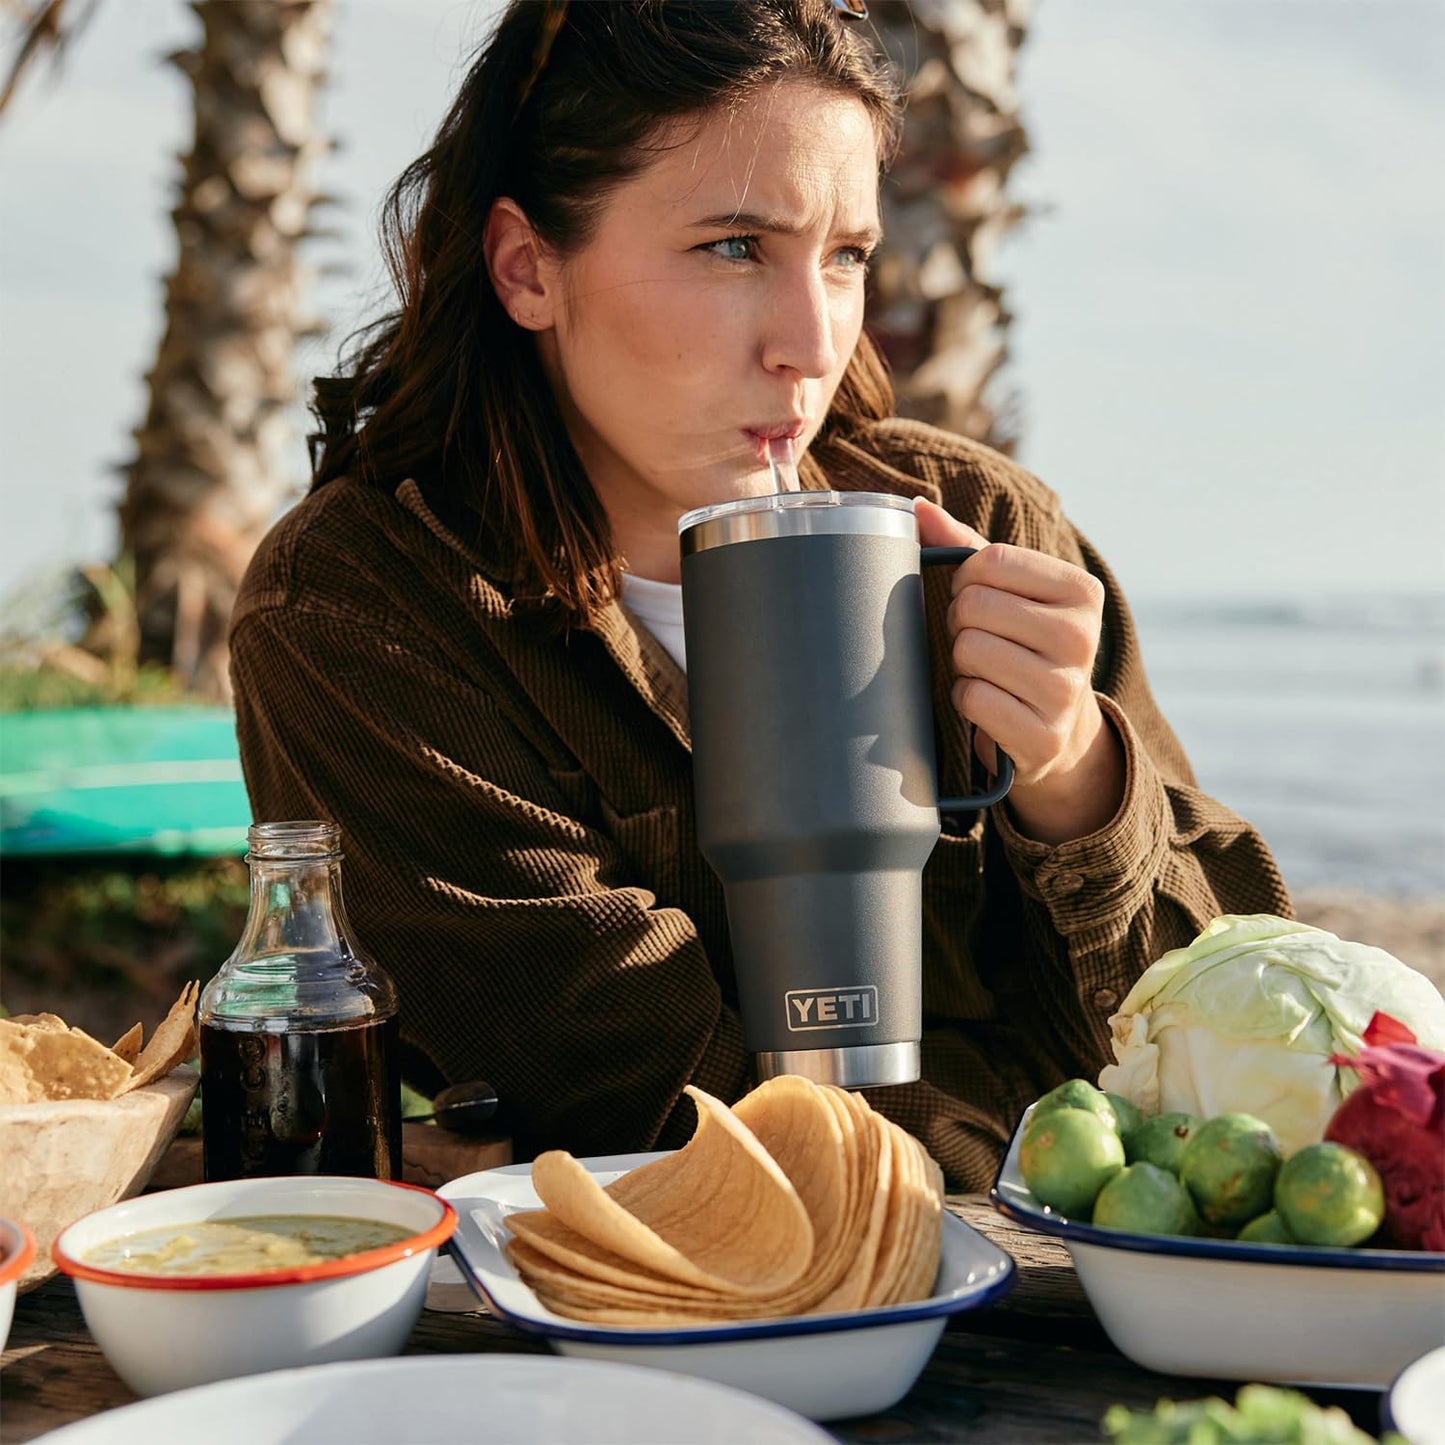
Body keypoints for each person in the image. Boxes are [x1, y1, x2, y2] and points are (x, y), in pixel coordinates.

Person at [230, 0, 1291, 1189]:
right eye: (733, 247)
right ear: (529, 268)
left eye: (844, 255)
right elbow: (671, 1106)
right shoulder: (364, 613)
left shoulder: (979, 529)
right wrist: (1023, 1132)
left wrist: (1072, 778)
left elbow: (1229, 1046)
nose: (811, 337)